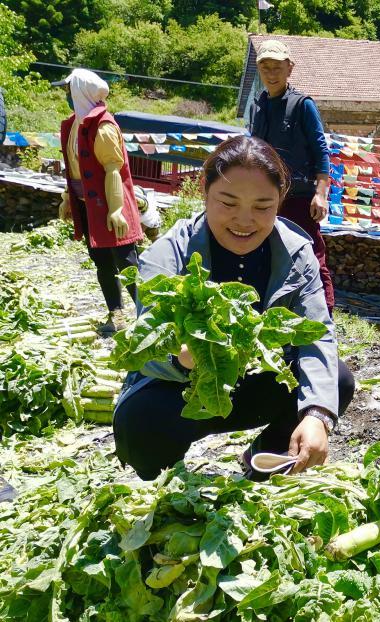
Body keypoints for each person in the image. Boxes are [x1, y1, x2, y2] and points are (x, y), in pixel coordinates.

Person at [112, 135, 355, 481]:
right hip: (181, 389)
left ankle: (262, 460)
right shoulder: (168, 254)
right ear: (205, 194)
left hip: (253, 383)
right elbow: (143, 347)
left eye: (262, 206)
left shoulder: (298, 254)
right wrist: (183, 357)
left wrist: (318, 415)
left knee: (338, 381)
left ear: (280, 202)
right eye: (227, 202)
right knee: (138, 424)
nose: (244, 221)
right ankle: (165, 480)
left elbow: (317, 336)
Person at [247, 39, 335, 314]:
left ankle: (325, 318)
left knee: (311, 255)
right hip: (266, 198)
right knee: (264, 253)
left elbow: (321, 151)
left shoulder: (303, 105)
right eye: (265, 67)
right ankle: (272, 313)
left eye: (277, 67)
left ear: (290, 69)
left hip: (299, 197)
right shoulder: (258, 105)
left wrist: (320, 194)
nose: (271, 73)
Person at [54, 69, 143, 334]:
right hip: (88, 205)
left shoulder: (103, 127)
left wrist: (116, 209)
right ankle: (116, 314)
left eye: (68, 91)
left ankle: (148, 312)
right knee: (101, 261)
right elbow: (74, 168)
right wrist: (69, 199)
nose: (66, 96)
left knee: (127, 262)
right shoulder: (73, 125)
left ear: (79, 93)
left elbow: (113, 170)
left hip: (109, 204)